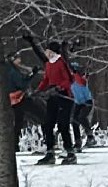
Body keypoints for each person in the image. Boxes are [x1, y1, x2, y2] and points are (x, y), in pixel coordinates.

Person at [27, 34, 77, 165]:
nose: (46, 53)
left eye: (48, 51)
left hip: (65, 97)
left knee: (63, 125)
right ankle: (50, 153)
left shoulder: (62, 63)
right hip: (52, 97)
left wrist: (59, 88)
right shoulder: (49, 64)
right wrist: (38, 90)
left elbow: (69, 80)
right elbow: (46, 80)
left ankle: (70, 152)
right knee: (47, 124)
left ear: (54, 52)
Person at [3, 52, 43, 151]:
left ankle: (14, 145)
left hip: (14, 99)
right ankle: (47, 140)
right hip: (18, 98)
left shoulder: (9, 69)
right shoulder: (12, 71)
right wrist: (32, 75)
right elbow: (21, 83)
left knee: (18, 121)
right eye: (18, 59)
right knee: (41, 114)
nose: (20, 61)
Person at [68, 63, 97, 150]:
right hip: (78, 103)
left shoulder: (82, 79)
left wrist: (75, 72)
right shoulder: (70, 81)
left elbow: (81, 82)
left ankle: (90, 136)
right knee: (74, 121)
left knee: (82, 117)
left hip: (87, 102)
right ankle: (77, 141)